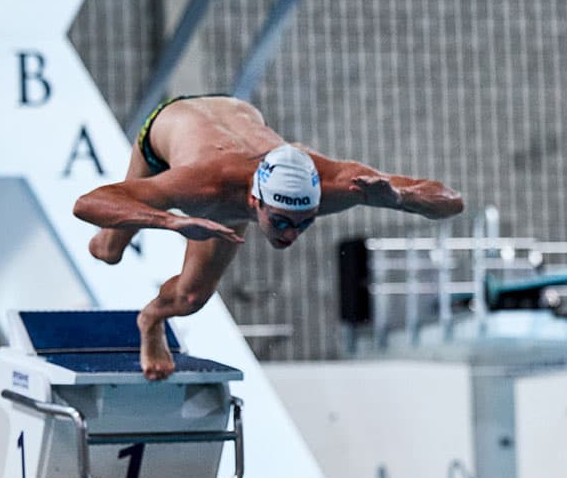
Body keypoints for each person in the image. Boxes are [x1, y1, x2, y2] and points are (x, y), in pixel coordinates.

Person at [74, 95, 464, 379]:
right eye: (280, 222)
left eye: (304, 222)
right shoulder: (204, 186)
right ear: (254, 201)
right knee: (107, 251)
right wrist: (170, 222)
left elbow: (452, 202)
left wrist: (401, 197)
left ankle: (151, 320)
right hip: (171, 126)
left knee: (191, 298)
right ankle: (115, 241)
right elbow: (88, 203)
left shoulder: (340, 183)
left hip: (236, 113)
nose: (291, 235)